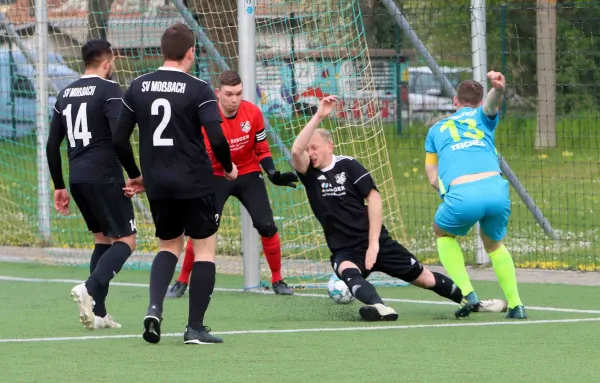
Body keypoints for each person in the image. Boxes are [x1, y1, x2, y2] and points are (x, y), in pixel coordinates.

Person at [113, 23, 237, 345]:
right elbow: (217, 137)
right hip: (194, 182)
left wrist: (137, 173)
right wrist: (227, 167)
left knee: (169, 245)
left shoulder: (138, 86)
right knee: (205, 248)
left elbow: (118, 139)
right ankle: (194, 328)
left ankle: (154, 308)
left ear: (162, 51)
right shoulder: (198, 89)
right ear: (191, 52)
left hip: (159, 186)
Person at [291, 96, 468, 321]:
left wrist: (374, 244)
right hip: (345, 248)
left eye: (314, 147)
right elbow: (297, 151)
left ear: (329, 146)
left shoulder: (349, 165)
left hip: (376, 241)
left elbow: (374, 199)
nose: (310, 153)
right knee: (347, 271)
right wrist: (318, 116)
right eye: (308, 149)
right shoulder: (309, 173)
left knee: (424, 278)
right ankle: (380, 307)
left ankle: (468, 301)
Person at [165, 70, 296, 299]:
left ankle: (278, 279)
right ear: (218, 93)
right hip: (215, 175)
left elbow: (262, 149)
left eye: (238, 93)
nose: (234, 99)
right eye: (228, 94)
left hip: (248, 172)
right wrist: (221, 170)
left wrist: (272, 172)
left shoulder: (253, 113)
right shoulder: (205, 116)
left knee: (267, 226)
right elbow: (207, 154)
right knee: (201, 230)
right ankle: (182, 281)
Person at [46, 40, 136, 330]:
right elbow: (119, 138)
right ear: (106, 62)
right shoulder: (109, 89)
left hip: (77, 178)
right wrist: (135, 173)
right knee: (126, 240)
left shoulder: (65, 93)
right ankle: (90, 286)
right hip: (105, 175)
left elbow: (51, 145)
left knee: (102, 240)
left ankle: (99, 313)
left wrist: (59, 185)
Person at [424, 71, 526, 319]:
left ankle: (468, 293)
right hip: (496, 191)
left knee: (442, 233)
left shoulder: (436, 130)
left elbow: (431, 175)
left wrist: (451, 192)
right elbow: (491, 107)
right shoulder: (483, 116)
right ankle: (516, 305)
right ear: (479, 102)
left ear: (454, 102)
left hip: (462, 194)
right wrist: (499, 90)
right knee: (494, 245)